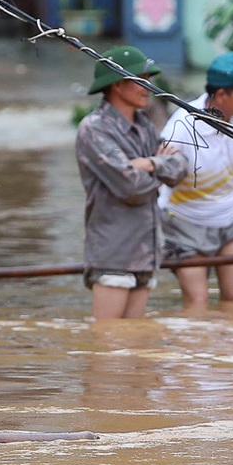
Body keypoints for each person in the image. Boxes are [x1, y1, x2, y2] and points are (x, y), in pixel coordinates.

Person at [158, 50, 233, 309]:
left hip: (231, 220)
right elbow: (159, 181)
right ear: (221, 95)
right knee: (197, 302)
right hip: (184, 223)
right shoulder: (180, 128)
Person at [74, 45, 185, 320]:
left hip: (146, 252)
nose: (148, 86)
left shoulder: (145, 126)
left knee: (133, 346)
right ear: (118, 85)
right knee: (108, 347)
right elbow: (130, 187)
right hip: (113, 253)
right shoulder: (94, 129)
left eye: (148, 78)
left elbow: (180, 167)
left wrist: (150, 163)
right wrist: (159, 169)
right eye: (140, 79)